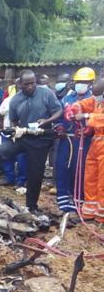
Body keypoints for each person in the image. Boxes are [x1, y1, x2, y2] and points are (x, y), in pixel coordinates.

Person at [0, 70, 63, 212]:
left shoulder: (46, 94)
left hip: (41, 139)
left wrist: (47, 121)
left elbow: (58, 111)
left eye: (33, 83)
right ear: (20, 84)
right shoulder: (15, 100)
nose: (30, 86)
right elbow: (14, 120)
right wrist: (16, 129)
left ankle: (31, 206)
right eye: (26, 84)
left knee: (35, 173)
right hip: (24, 137)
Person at [54, 67, 96, 212]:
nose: (80, 84)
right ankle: (62, 197)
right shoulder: (67, 98)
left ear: (91, 83)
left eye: (84, 82)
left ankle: (78, 199)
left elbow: (97, 120)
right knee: (62, 166)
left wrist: (90, 129)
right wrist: (59, 127)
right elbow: (59, 116)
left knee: (80, 169)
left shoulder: (94, 100)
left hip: (84, 141)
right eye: (78, 81)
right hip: (67, 140)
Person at [69, 78, 104, 221]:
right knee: (90, 176)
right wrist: (74, 108)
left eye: (98, 94)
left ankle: (101, 215)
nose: (95, 97)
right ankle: (89, 212)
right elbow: (84, 104)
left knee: (103, 180)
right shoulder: (98, 100)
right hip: (96, 143)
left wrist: (86, 116)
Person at [0, 78, 28, 187]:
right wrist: (2, 127)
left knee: (21, 157)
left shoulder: (29, 100)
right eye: (17, 85)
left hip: (21, 132)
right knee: (7, 155)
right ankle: (10, 178)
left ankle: (21, 180)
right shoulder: (8, 100)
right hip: (8, 131)